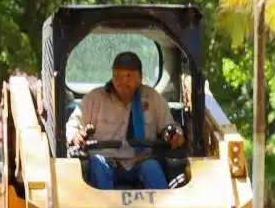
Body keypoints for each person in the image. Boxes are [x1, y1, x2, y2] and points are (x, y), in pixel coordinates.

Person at [65, 51, 185, 190]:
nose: (122, 81)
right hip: (107, 162)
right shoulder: (95, 99)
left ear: (140, 77)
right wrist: (75, 136)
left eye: (129, 76)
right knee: (97, 164)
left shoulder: (153, 98)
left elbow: (169, 126)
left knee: (152, 168)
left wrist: (172, 135)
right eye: (117, 76)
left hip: (141, 161)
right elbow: (72, 125)